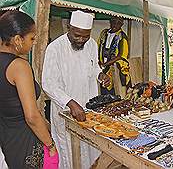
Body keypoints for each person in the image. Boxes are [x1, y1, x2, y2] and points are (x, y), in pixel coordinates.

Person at [42, 10, 110, 169]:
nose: (81, 40)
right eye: (77, 35)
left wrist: (100, 76)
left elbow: (93, 68)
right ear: (68, 27)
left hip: (88, 110)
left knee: (90, 149)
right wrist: (70, 103)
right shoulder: (55, 48)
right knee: (70, 154)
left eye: (85, 36)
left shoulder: (92, 44)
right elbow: (48, 83)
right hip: (65, 111)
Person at [0, 10, 58, 168]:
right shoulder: (19, 66)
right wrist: (50, 145)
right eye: (32, 38)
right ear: (18, 39)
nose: (33, 43)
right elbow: (31, 116)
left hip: (5, 137)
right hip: (23, 140)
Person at [98, 16, 131, 95]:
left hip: (115, 67)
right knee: (103, 87)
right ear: (110, 22)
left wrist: (106, 64)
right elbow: (98, 46)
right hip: (103, 65)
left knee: (114, 90)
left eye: (118, 23)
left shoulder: (122, 37)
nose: (115, 25)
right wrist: (98, 61)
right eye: (113, 22)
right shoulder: (104, 33)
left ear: (121, 24)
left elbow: (121, 56)